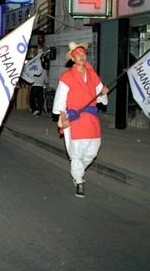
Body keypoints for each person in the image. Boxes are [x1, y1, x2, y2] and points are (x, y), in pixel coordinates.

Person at [52, 41, 109, 198]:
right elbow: (60, 100)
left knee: (92, 151)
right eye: (78, 54)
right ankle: (79, 181)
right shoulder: (67, 77)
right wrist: (63, 118)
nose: (82, 56)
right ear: (72, 58)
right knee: (76, 153)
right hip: (74, 119)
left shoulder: (93, 75)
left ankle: (78, 171)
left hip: (91, 119)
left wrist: (103, 92)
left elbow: (101, 96)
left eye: (83, 54)